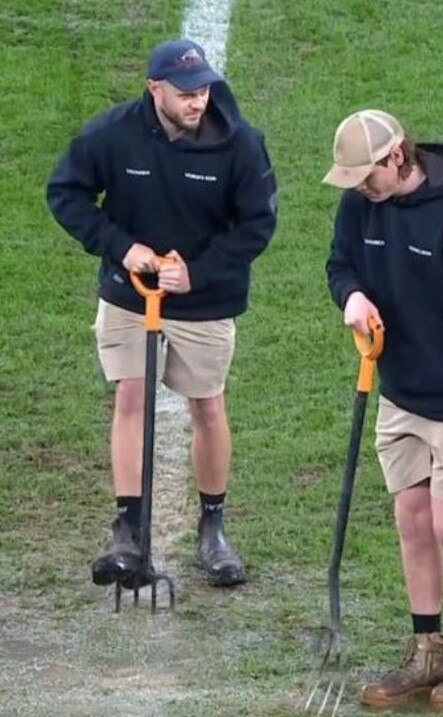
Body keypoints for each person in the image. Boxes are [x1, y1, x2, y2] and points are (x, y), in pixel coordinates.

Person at [47, 38, 277, 589]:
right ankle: (128, 528)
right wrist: (122, 249)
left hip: (205, 299)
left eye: (203, 90)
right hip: (130, 293)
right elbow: (66, 194)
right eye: (185, 93)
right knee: (131, 396)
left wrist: (196, 272)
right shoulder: (111, 135)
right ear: (155, 89)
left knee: (207, 404)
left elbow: (256, 226)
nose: (198, 102)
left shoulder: (242, 145)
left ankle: (213, 526)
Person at [324, 109, 443, 709]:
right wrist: (351, 296)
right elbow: (341, 264)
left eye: (366, 174)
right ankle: (426, 650)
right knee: (411, 518)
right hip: (401, 392)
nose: (359, 187)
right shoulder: (361, 205)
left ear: (397, 157)